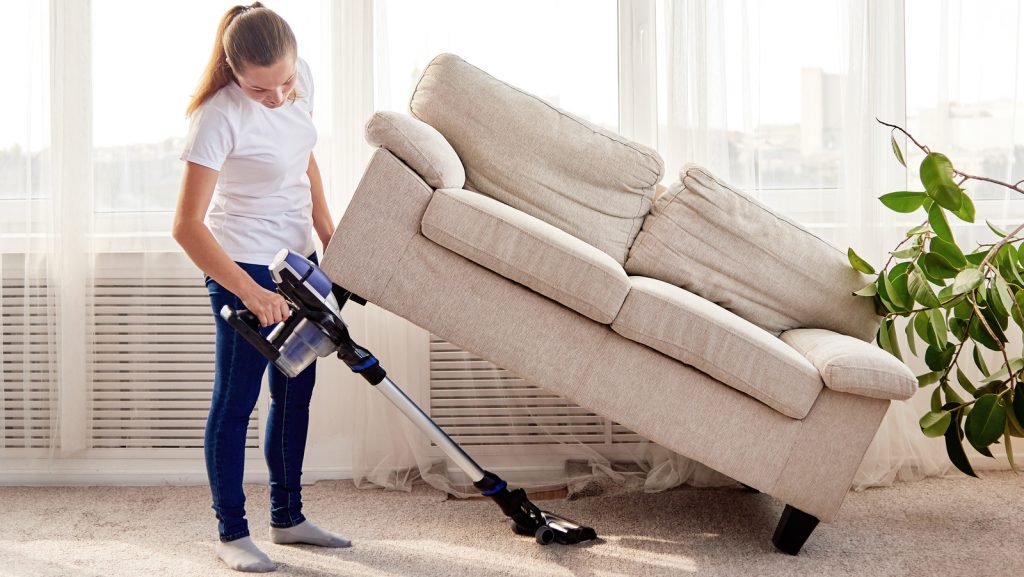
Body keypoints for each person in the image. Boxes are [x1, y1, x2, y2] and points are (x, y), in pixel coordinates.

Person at [173, 3, 347, 572]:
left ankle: (288, 518)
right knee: (236, 403)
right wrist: (248, 292)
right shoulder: (217, 116)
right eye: (259, 88)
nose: (276, 97)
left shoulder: (299, 81)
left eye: (285, 82)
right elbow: (187, 227)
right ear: (233, 71)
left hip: (300, 263)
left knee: (295, 393)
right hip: (242, 267)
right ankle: (230, 533)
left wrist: (326, 228)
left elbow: (305, 159)